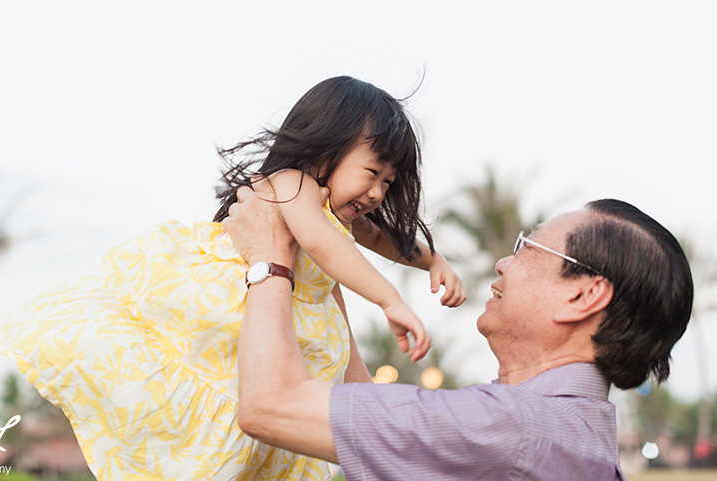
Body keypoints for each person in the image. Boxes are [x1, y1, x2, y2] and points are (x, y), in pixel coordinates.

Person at [0, 76, 464, 480]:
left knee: (249, 426)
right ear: (325, 147)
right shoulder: (292, 185)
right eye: (373, 172)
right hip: (226, 312)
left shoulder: (343, 213)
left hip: (279, 323)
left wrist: (433, 261)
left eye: (388, 182)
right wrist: (388, 301)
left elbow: (385, 240)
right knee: (205, 395)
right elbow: (323, 244)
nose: (378, 192)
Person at [224, 184, 694, 481]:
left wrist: (269, 258)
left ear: (583, 296)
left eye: (526, 246)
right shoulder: (578, 436)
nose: (503, 263)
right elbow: (360, 406)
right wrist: (324, 273)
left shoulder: (511, 428)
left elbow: (270, 405)